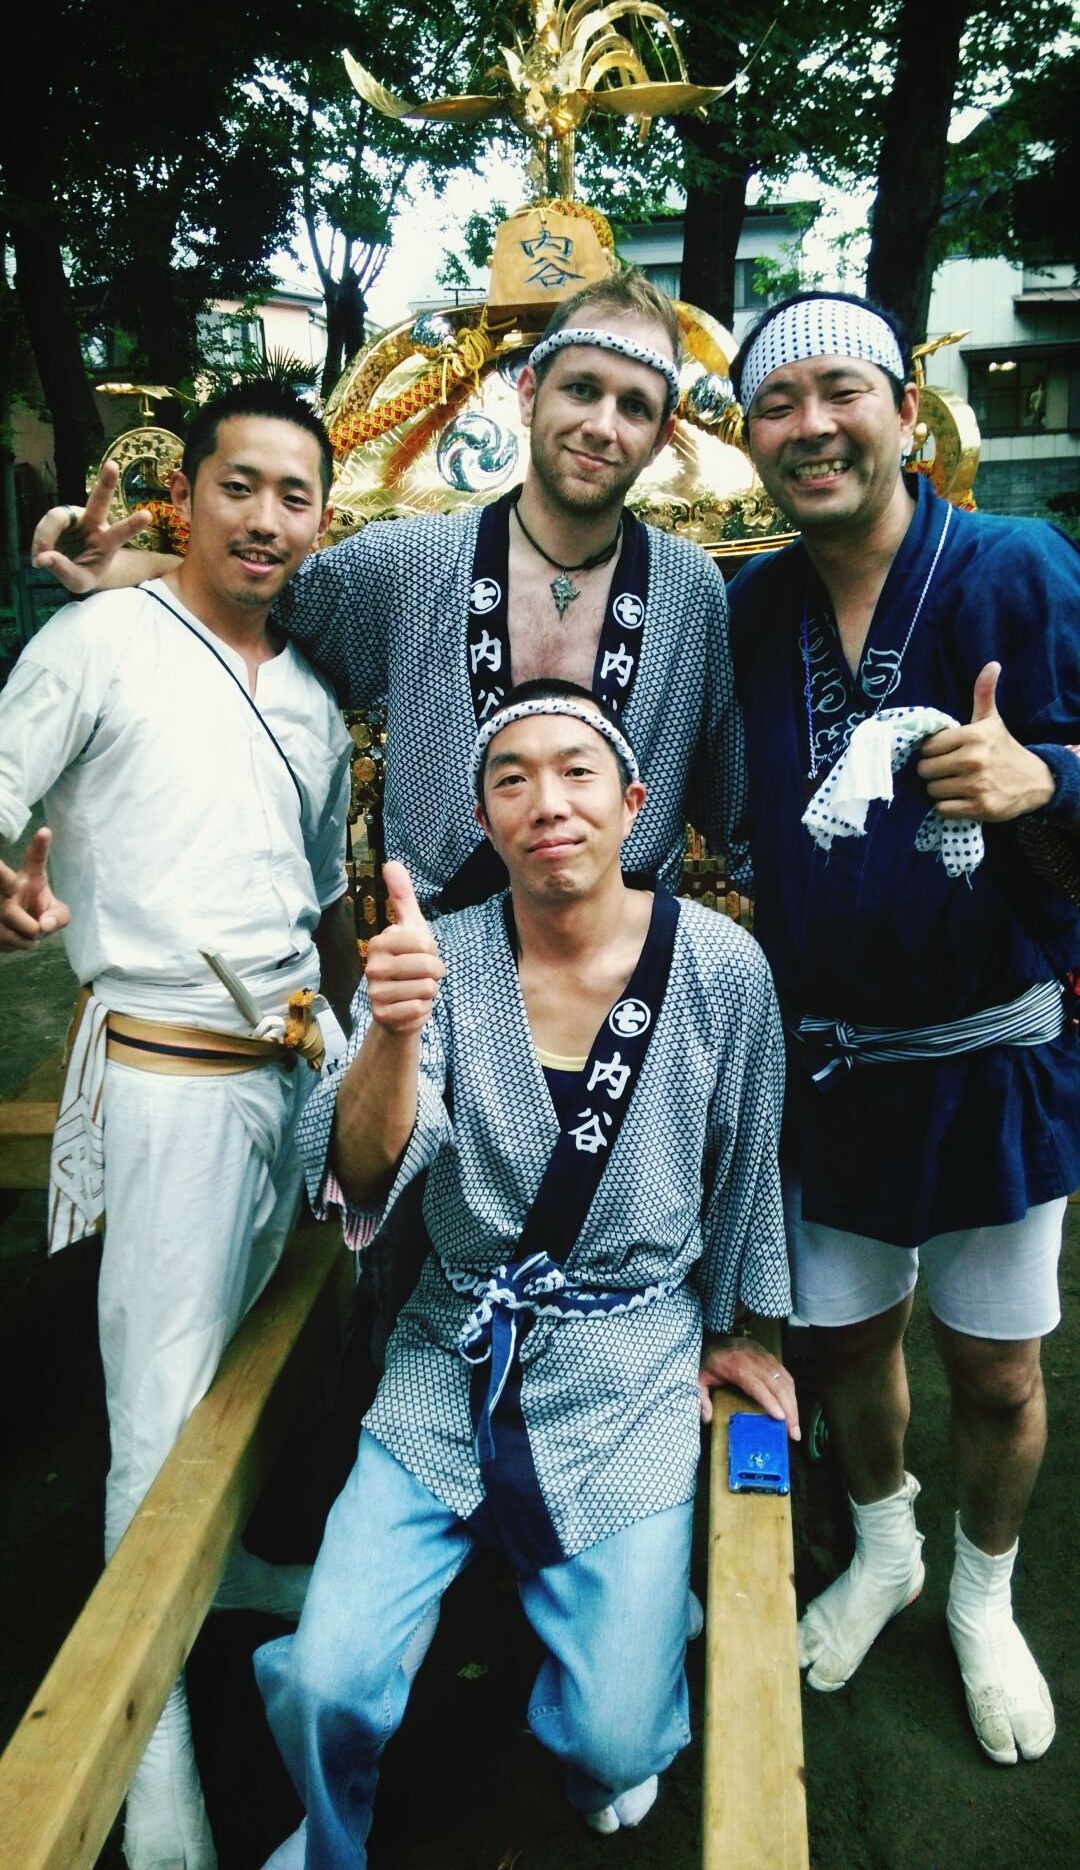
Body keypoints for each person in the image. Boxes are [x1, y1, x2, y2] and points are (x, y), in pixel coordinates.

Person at [253, 681, 796, 1866]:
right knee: (328, 1682)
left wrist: (729, 1328)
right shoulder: (429, 964)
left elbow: (747, 1162)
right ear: (487, 821)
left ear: (635, 804)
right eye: (512, 781)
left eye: (576, 772)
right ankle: (329, 1831)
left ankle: (598, 1678)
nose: (546, 802)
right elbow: (352, 1174)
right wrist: (391, 1035)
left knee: (612, 1743)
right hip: (455, 1355)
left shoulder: (722, 970)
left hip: (627, 1357)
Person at [0, 379, 361, 1870]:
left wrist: (350, 1065)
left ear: (321, 522)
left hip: (291, 1068)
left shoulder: (315, 697)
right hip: (163, 1075)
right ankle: (152, 1782)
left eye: (294, 496)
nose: (265, 518)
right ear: (185, 496)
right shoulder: (95, 641)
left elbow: (322, 902)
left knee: (255, 1363)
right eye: (240, 486)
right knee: (152, 1419)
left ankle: (228, 1579)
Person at [726, 291, 1080, 1766]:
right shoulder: (751, 607)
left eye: (839, 392)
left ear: (905, 415)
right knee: (850, 1346)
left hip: (994, 1051)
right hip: (830, 1064)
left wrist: (1048, 777)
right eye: (775, 402)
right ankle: (887, 1548)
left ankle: (984, 1595)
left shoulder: (1018, 565)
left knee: (995, 1371)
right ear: (749, 438)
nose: (810, 425)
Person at [32, 267, 748, 915]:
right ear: (529, 394)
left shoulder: (690, 591)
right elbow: (254, 589)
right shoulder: (410, 561)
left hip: (625, 981)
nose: (601, 425)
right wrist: (119, 567)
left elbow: (732, 808)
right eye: (582, 389)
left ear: (659, 440)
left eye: (634, 407)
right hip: (443, 977)